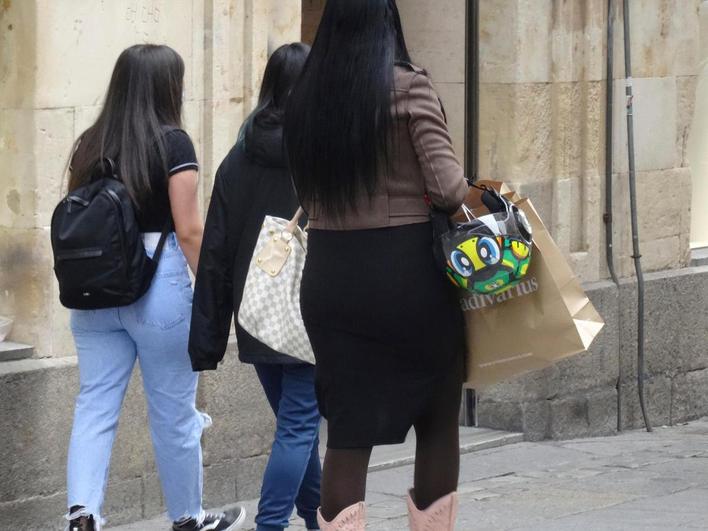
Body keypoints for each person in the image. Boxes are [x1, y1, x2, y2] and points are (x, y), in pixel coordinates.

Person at [284, 1, 469, 530]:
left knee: (348, 430)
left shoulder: (305, 96)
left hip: (331, 276)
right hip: (408, 274)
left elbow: (305, 192)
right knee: (436, 420)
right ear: (388, 22)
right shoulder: (409, 87)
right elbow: (449, 189)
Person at [64, 44, 244, 531]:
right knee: (173, 411)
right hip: (156, 282)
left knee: (95, 403)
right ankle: (187, 517)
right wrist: (215, 294)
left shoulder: (87, 143)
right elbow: (189, 230)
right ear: (167, 87)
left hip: (94, 291)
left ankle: (82, 514)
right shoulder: (173, 143)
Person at [189, 43, 321, 531]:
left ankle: (320, 517)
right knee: (300, 424)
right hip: (310, 312)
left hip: (257, 313)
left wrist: (207, 335)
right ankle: (271, 524)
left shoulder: (237, 158)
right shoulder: (322, 155)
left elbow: (216, 251)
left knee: (296, 426)